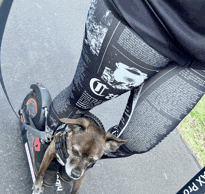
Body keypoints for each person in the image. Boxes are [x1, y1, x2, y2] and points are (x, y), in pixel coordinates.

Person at [46, 0, 205, 159]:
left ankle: (79, 158)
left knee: (136, 142)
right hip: (144, 14)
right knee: (80, 100)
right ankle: (45, 145)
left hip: (199, 60)